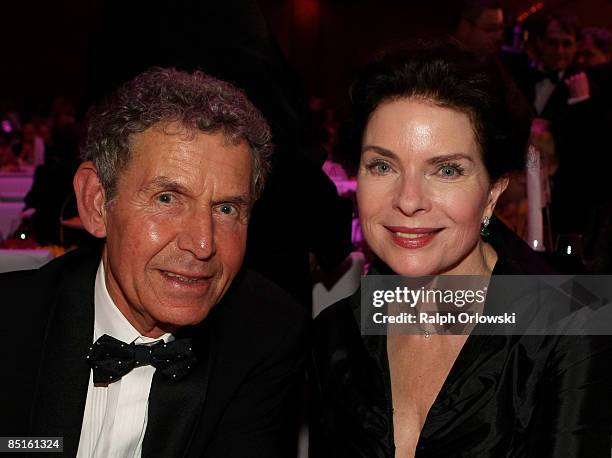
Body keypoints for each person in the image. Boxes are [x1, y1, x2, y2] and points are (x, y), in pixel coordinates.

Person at [311, 42, 612, 457]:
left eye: (447, 170)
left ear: (492, 194)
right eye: (383, 165)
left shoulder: (572, 324)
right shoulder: (336, 333)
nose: (409, 199)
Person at [0, 68, 307, 457]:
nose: (202, 243)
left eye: (227, 208)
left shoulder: (264, 336)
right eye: (167, 198)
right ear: (98, 203)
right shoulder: (12, 323)